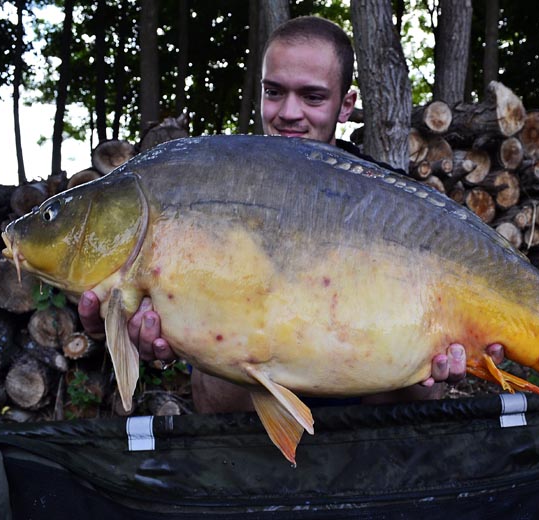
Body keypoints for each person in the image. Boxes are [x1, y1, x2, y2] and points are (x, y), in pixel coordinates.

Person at [78, 16, 504, 413]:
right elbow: (209, 399)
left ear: (345, 104)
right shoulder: (220, 191)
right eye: (274, 91)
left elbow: (418, 400)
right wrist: (140, 335)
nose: (288, 113)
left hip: (369, 450)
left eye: (313, 96)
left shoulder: (395, 202)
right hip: (252, 448)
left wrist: (437, 373)